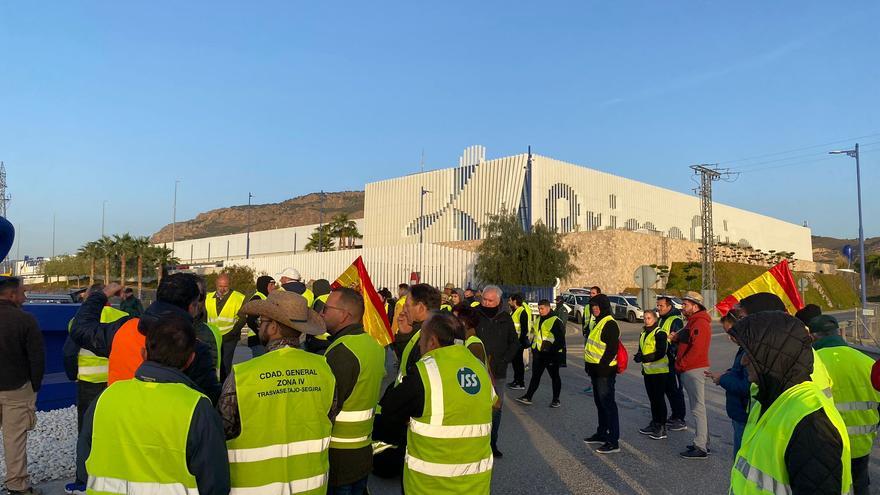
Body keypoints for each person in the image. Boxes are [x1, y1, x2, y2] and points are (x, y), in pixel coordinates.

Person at [76, 314, 230, 495]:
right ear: (190, 359)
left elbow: (83, 470)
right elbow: (215, 484)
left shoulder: (105, 398)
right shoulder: (197, 408)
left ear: (144, 353)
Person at [218, 290, 337, 493]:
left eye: (262, 321)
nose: (258, 326)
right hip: (310, 486)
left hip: (254, 487)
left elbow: (222, 429)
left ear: (273, 327)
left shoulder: (244, 375)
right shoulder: (324, 369)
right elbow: (330, 417)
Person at [728, 310, 852, 494]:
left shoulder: (811, 420)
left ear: (770, 355)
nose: (744, 361)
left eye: (750, 353)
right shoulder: (770, 400)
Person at [375, 312, 495, 493]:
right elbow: (494, 403)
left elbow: (390, 410)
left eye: (421, 339)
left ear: (431, 341)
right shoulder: (478, 367)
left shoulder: (426, 371)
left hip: (430, 485)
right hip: (476, 485)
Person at [69, 275, 221, 404]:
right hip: (166, 433)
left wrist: (100, 295)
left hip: (119, 420)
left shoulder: (124, 329)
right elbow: (209, 401)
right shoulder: (194, 348)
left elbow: (81, 328)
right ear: (192, 306)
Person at [321, 287, 386, 495]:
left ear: (344, 315)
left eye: (326, 308)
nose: (322, 313)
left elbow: (327, 407)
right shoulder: (372, 345)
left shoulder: (342, 351)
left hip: (339, 456)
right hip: (362, 451)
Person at [810, 314, 880, 495]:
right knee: (860, 485)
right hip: (861, 445)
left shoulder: (812, 362)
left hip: (825, 445)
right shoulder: (867, 362)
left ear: (813, 336)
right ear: (839, 332)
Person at [0, 276, 45, 495]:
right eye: (22, 293)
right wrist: (34, 386)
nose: (25, 297)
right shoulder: (26, 320)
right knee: (14, 439)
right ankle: (17, 485)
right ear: (11, 295)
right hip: (16, 389)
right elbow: (37, 358)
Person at [474, 285, 519, 458]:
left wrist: (504, 360)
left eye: (490, 300)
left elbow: (514, 343)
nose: (486, 303)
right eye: (484, 299)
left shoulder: (505, 318)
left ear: (498, 301)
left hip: (498, 372)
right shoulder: (475, 315)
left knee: (495, 409)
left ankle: (492, 444)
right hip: (476, 370)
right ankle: (476, 443)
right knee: (476, 408)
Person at [671, 291, 712, 459]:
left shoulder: (700, 323)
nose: (683, 307)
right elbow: (686, 339)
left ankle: (700, 446)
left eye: (686, 304)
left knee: (697, 409)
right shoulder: (693, 322)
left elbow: (697, 350)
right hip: (691, 369)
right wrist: (676, 338)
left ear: (695, 306)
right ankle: (703, 442)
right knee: (698, 408)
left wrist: (680, 364)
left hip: (693, 369)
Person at [705, 312, 750, 457]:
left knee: (741, 457)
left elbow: (746, 386)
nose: (729, 337)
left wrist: (722, 380)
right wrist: (725, 374)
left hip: (744, 413)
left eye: (730, 332)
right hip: (740, 411)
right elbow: (738, 372)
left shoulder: (750, 352)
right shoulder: (744, 348)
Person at [582, 294, 621, 454]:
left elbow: (611, 350)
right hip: (596, 371)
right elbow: (593, 347)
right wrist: (589, 366)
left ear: (604, 306)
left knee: (608, 405)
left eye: (597, 306)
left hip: (605, 372)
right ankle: (601, 433)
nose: (594, 309)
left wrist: (601, 367)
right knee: (600, 404)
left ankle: (613, 441)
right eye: (592, 306)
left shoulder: (610, 324)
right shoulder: (597, 322)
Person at [516, 299, 564, 408]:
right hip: (539, 354)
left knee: (555, 377)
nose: (540, 311)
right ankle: (528, 397)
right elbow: (536, 335)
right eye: (539, 309)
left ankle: (556, 400)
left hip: (551, 355)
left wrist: (552, 351)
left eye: (542, 308)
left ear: (548, 308)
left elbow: (561, 341)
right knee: (535, 376)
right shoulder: (538, 319)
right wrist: (534, 348)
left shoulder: (556, 321)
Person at [391, 284, 441, 384]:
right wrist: (404, 335)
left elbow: (414, 376)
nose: (404, 310)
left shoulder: (428, 338)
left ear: (421, 308)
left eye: (407, 305)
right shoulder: (420, 332)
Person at [634, 309, 669, 440]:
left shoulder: (660, 333)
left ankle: (662, 427)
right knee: (652, 400)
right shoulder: (643, 332)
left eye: (648, 318)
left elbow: (660, 352)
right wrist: (638, 356)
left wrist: (644, 358)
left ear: (655, 319)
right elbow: (641, 349)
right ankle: (655, 422)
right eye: (644, 318)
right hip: (648, 371)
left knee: (659, 399)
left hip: (659, 372)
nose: (646, 320)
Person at [206, 272, 246, 382]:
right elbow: (204, 317)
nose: (223, 289)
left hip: (229, 337)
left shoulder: (238, 298)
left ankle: (224, 385)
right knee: (213, 362)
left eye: (225, 286)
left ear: (230, 285)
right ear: (216, 284)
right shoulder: (208, 297)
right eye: (220, 286)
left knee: (225, 364)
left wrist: (233, 332)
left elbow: (242, 318)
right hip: (213, 336)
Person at [656, 295, 687, 431]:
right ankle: (674, 415)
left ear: (669, 306)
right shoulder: (662, 319)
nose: (658, 308)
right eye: (658, 305)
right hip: (663, 360)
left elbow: (677, 340)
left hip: (671, 360)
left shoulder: (675, 320)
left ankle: (679, 418)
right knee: (668, 389)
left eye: (661, 306)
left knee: (675, 390)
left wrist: (671, 350)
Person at [243, 275, 275, 358]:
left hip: (263, 340)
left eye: (274, 284)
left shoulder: (266, 298)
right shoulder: (257, 298)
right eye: (271, 285)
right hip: (257, 340)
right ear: (264, 285)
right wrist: (261, 335)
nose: (274, 287)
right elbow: (250, 320)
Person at [507, 293, 531, 390]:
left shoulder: (522, 312)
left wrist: (519, 342)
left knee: (519, 363)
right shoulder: (514, 311)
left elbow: (524, 329)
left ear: (514, 301)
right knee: (515, 363)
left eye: (510, 300)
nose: (509, 302)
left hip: (518, 342)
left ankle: (520, 383)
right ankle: (516, 380)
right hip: (513, 342)